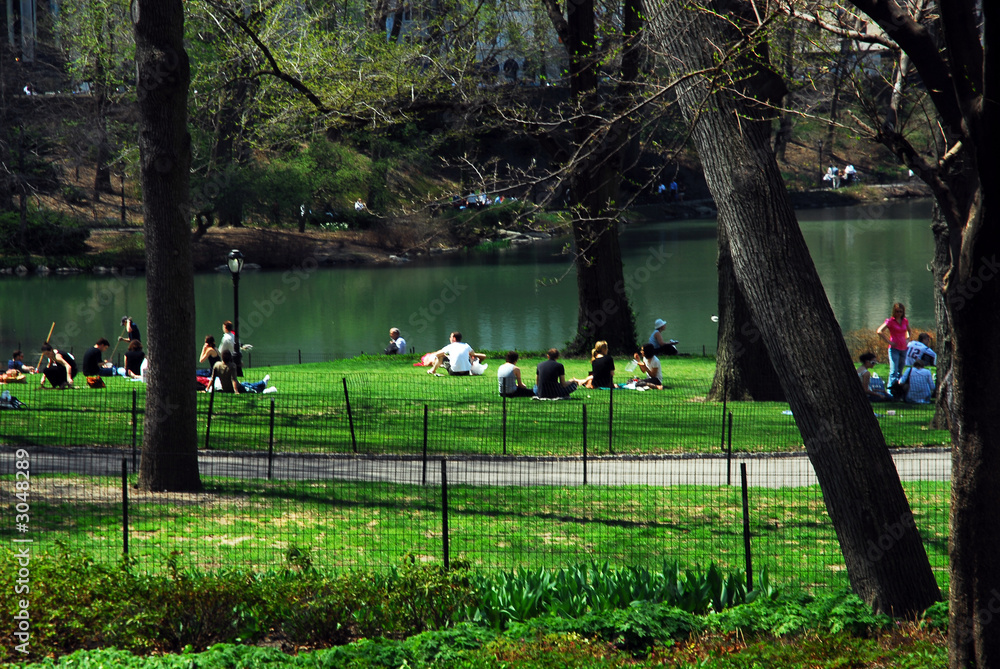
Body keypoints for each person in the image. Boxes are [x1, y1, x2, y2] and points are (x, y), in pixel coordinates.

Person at [876, 302, 912, 390]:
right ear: (894, 312)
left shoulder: (905, 321)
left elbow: (909, 331)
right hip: (894, 348)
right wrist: (889, 341)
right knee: (893, 371)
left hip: (904, 348)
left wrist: (907, 339)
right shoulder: (890, 321)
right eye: (897, 311)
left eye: (900, 311)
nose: (899, 313)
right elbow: (879, 331)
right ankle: (890, 390)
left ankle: (898, 390)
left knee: (900, 371)